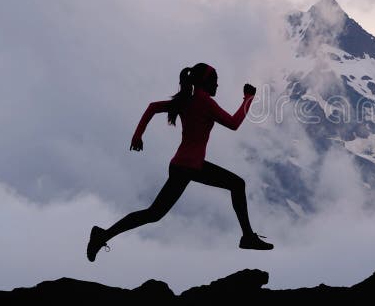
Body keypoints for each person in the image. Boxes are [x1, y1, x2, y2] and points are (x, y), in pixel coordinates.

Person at [87, 62, 273, 262]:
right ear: (205, 82)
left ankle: (103, 235)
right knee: (237, 184)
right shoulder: (204, 102)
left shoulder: (187, 100)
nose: (217, 86)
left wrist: (137, 136)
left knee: (153, 213)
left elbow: (152, 107)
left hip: (182, 166)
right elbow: (234, 124)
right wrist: (249, 98)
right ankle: (247, 238)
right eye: (215, 82)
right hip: (190, 167)